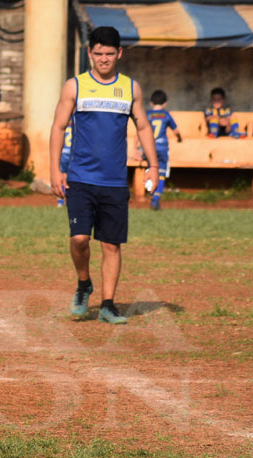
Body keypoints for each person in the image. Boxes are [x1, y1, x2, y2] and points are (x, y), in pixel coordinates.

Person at [49, 26, 159, 325]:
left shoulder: (131, 88)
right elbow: (58, 127)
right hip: (80, 178)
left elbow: (145, 127)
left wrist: (153, 164)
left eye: (109, 53)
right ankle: (84, 282)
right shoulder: (75, 86)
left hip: (114, 182)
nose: (104, 59)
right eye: (98, 53)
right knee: (80, 239)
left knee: (111, 245)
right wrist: (54, 170)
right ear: (89, 53)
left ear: (119, 53)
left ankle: (108, 304)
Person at [143, 90, 182, 211]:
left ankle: (151, 193)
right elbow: (176, 131)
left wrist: (137, 148)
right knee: (161, 174)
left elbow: (140, 131)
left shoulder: (147, 114)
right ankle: (156, 199)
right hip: (162, 147)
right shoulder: (166, 115)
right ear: (165, 103)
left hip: (149, 148)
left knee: (150, 170)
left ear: (151, 103)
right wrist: (179, 138)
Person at [57, 124, 72, 207]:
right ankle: (70, 200)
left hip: (63, 154)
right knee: (72, 178)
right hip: (73, 154)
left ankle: (61, 201)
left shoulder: (62, 125)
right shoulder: (76, 123)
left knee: (63, 176)